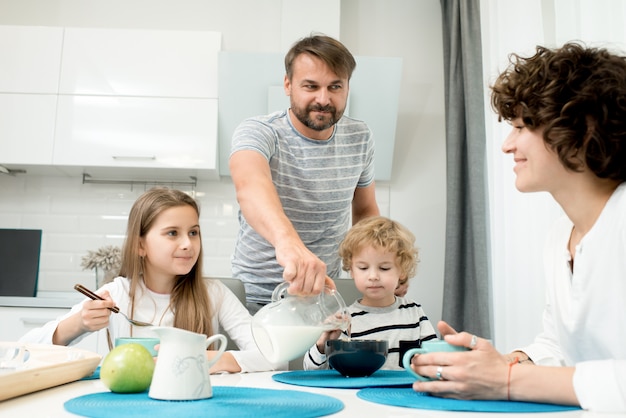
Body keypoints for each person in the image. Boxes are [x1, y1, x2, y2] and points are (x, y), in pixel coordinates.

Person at [407, 42, 626, 412]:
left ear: (582, 132)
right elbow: (559, 347)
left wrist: (505, 380)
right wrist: (501, 363)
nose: (508, 145)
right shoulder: (561, 235)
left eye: (523, 126)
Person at [20, 187, 285, 373]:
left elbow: (273, 355)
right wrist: (78, 324)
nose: (187, 244)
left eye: (193, 232)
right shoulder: (117, 295)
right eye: (172, 233)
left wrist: (205, 360)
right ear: (140, 246)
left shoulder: (214, 293)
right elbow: (26, 350)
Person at [229, 34, 381, 313]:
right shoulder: (259, 131)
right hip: (255, 298)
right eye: (310, 86)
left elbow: (366, 210)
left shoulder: (360, 137)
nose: (323, 99)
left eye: (335, 86)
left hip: (324, 297)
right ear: (287, 85)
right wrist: (289, 244)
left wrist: (384, 260)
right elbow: (251, 187)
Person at [303, 216, 437, 370]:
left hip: (403, 393)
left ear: (402, 271)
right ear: (351, 270)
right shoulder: (345, 320)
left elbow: (435, 358)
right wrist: (322, 344)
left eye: (384, 268)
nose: (373, 276)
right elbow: (310, 370)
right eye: (363, 268)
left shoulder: (414, 312)